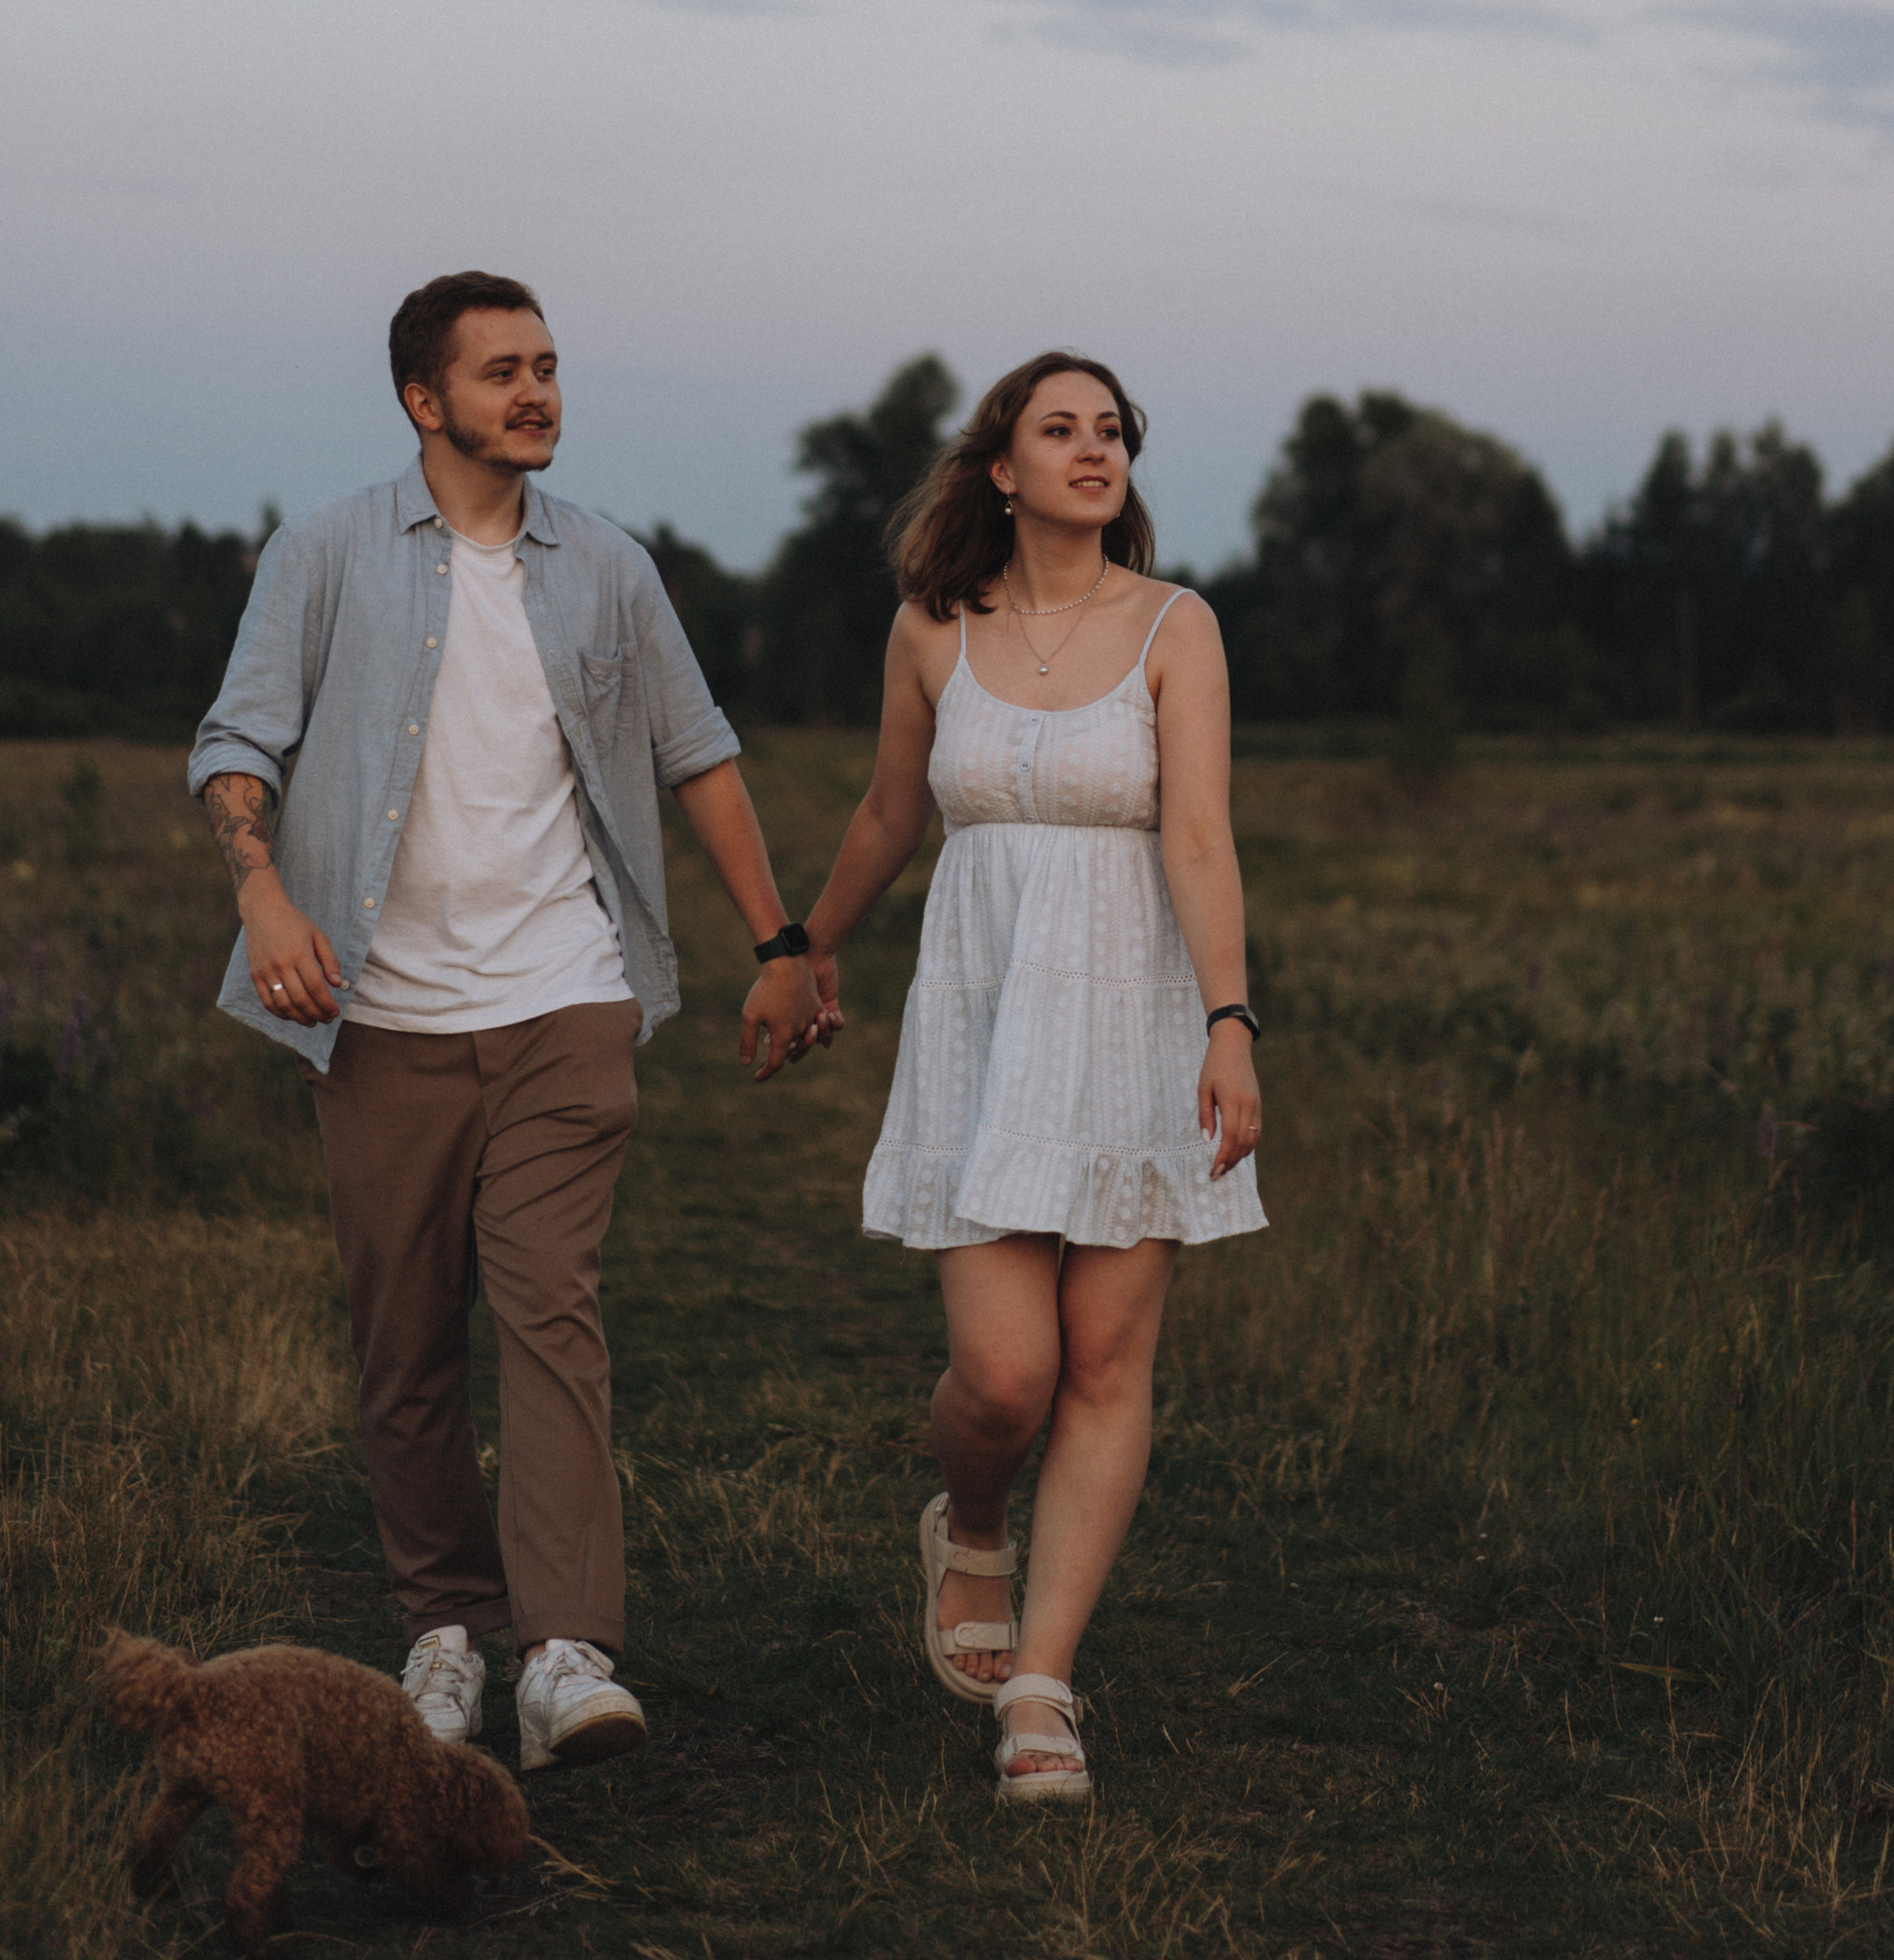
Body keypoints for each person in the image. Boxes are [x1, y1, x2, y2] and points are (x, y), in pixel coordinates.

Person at [189, 273, 821, 1774]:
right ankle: (446, 1630)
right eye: (501, 373)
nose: (536, 392)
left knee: (550, 1316)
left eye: (546, 366)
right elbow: (238, 738)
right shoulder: (328, 551)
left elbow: (701, 756)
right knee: (405, 1341)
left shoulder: (608, 565)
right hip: (380, 1015)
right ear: (426, 401)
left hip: (564, 1000)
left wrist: (781, 938)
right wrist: (263, 898)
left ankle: (564, 1653)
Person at [793, 349, 1264, 1806]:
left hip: (1133, 1019)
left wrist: (1232, 1022)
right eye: (1059, 429)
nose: (1093, 449)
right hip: (986, 1027)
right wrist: (800, 949)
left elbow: (1197, 837)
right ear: (1000, 467)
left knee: (1109, 1365)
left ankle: (1045, 1690)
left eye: (1111, 430)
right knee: (1007, 1375)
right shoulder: (933, 628)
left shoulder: (1178, 628)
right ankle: (974, 1522)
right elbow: (888, 809)